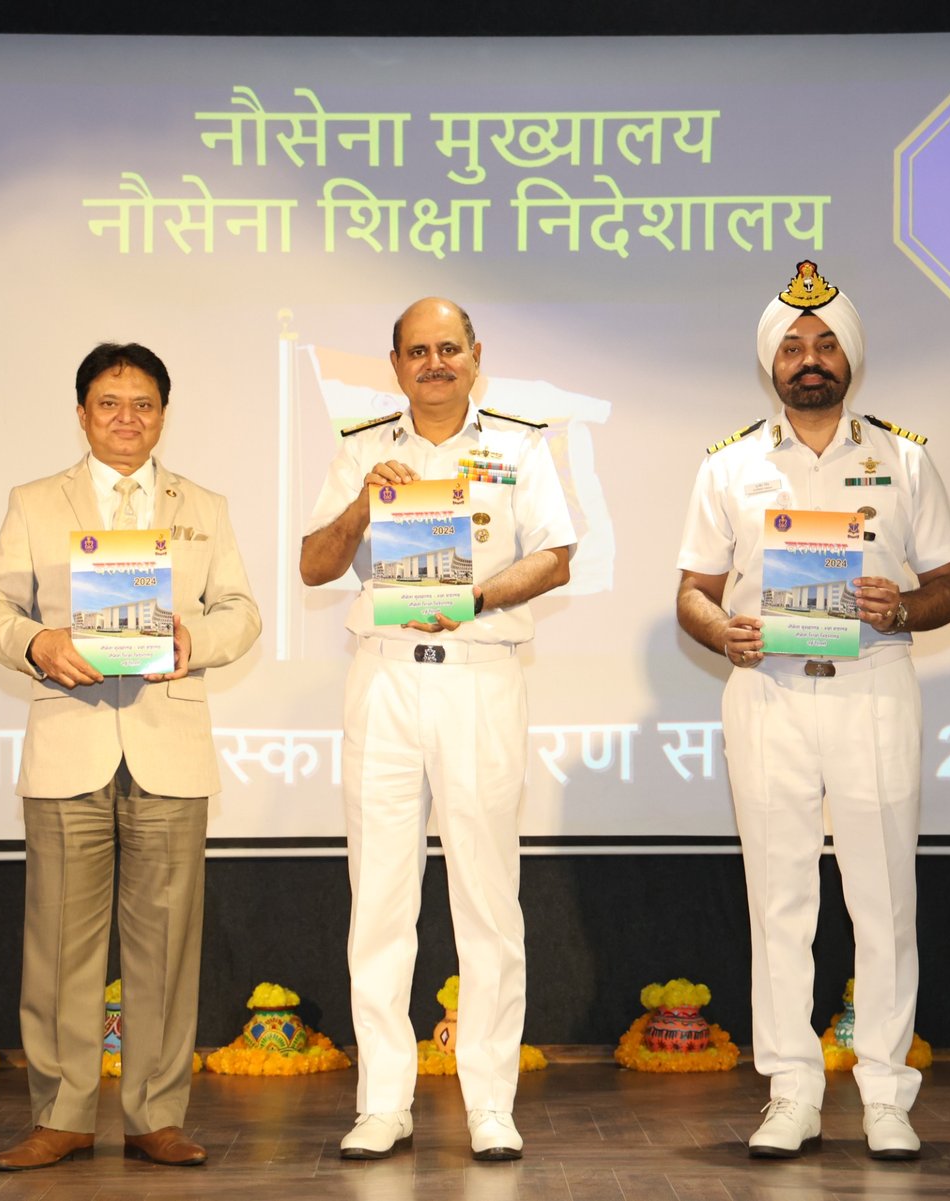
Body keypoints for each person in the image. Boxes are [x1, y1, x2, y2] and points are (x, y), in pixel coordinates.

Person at [674, 263, 950, 1161]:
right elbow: (692, 592)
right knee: (780, 901)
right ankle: (791, 1091)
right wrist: (721, 630)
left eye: (826, 343)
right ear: (771, 362)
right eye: (793, 346)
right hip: (767, 693)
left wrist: (901, 608)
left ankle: (886, 1093)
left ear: (851, 358)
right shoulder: (729, 464)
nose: (810, 358)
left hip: (872, 686)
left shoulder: (904, 458)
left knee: (883, 899)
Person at [0, 342, 261, 1170]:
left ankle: (155, 1115)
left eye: (142, 403)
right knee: (58, 945)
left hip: (170, 745)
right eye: (109, 402)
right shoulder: (35, 502)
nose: (126, 417)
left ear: (163, 414)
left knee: (165, 945)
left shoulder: (203, 505)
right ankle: (60, 1115)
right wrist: (39, 642)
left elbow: (242, 611)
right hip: (70, 742)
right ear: (81, 413)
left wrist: (195, 639)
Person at [300, 297, 575, 1162]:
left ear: (475, 355)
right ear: (395, 364)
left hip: (480, 674)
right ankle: (383, 1100)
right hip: (384, 677)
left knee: (487, 897)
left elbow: (557, 555)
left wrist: (476, 596)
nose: (434, 363)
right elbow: (314, 564)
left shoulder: (519, 446)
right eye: (417, 351)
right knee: (380, 897)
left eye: (448, 348)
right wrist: (361, 507)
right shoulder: (362, 448)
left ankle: (489, 1100)